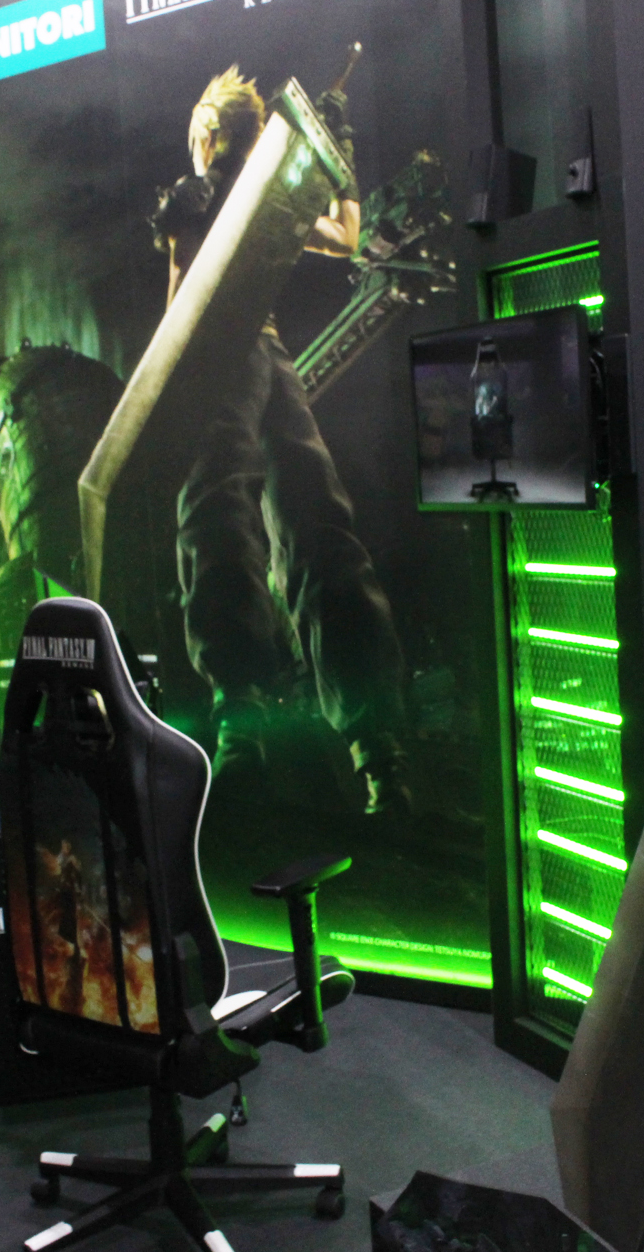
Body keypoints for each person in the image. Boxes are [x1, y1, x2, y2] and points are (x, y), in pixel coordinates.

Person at [151, 65, 411, 814]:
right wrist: (340, 156)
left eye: (198, 136)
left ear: (208, 134)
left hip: (228, 357)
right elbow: (346, 234)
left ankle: (248, 720)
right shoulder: (257, 197)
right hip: (263, 357)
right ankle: (373, 752)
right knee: (310, 527)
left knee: (227, 517)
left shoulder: (204, 195)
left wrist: (336, 148)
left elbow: (180, 305)